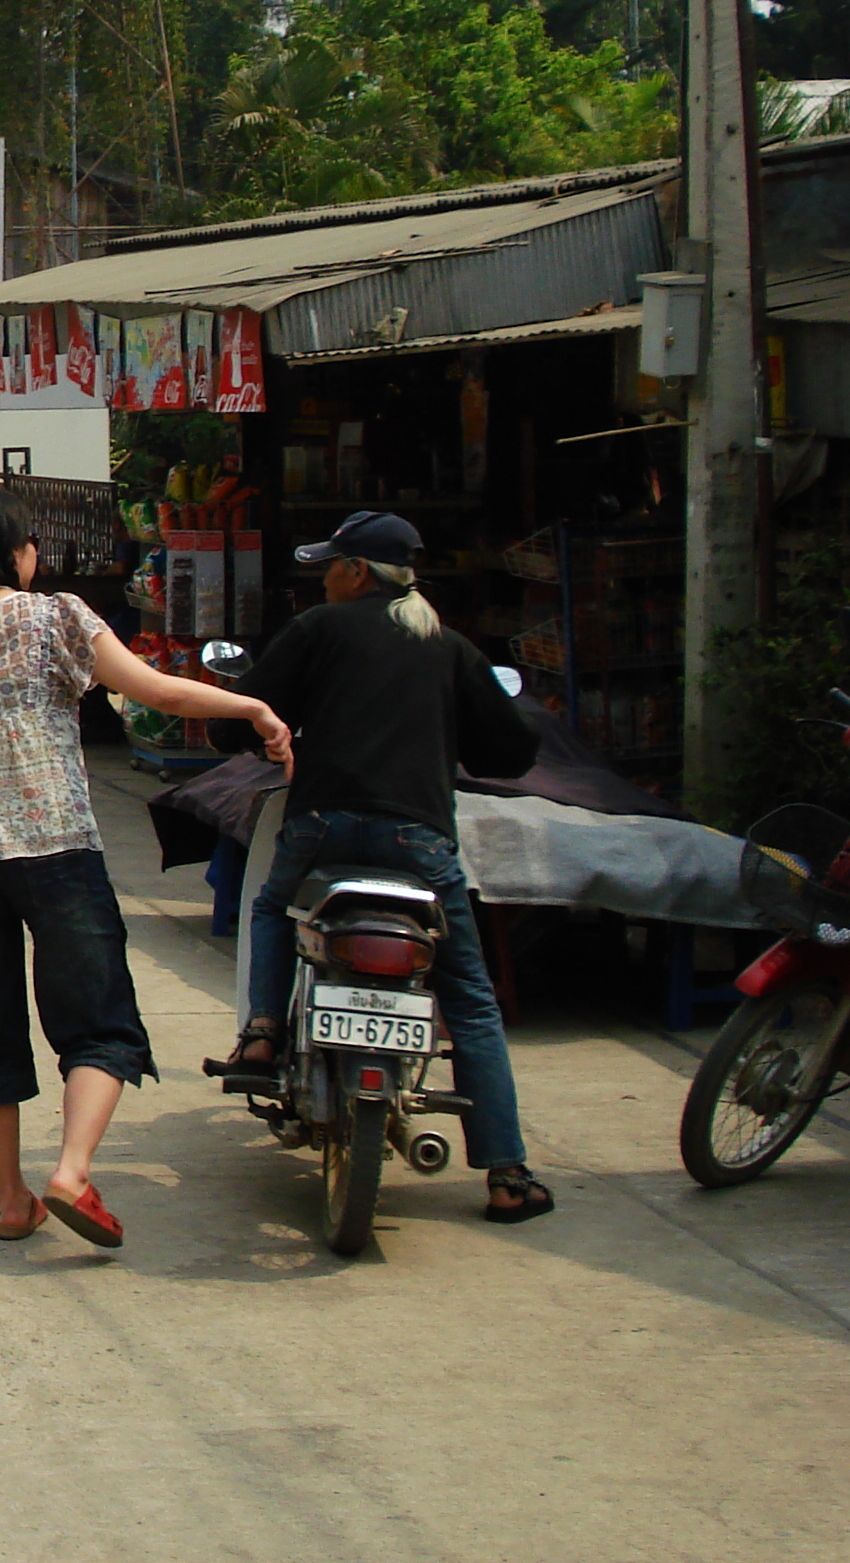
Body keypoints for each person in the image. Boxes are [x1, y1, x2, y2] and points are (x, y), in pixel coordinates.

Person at [0, 489, 289, 1249]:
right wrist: (253, 709)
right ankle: (71, 1170)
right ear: (13, 551)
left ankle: (10, 1200)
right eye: (30, 543)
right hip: (59, 843)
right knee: (97, 1018)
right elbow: (153, 690)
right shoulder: (57, 616)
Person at [214, 510, 554, 1225]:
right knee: (468, 994)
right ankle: (507, 1171)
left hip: (324, 832)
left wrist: (258, 728)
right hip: (419, 843)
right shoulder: (450, 648)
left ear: (357, 572)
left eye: (330, 567)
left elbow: (237, 717)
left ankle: (264, 1030)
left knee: (274, 907)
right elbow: (512, 751)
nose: (324, 579)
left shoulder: (318, 632)